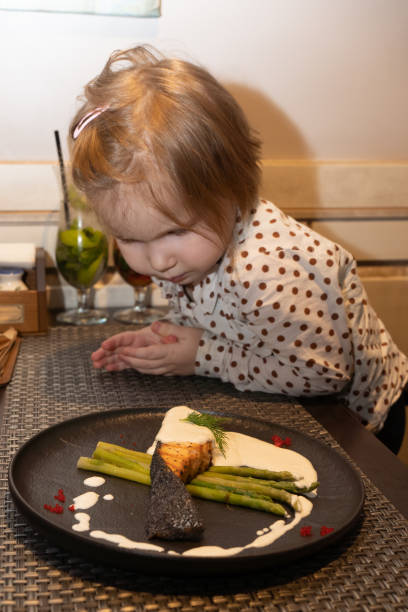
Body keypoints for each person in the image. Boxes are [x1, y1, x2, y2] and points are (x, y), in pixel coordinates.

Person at [69, 45, 407, 453]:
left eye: (176, 231)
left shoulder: (269, 269)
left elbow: (325, 374)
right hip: (280, 397)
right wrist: (169, 339)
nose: (157, 261)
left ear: (231, 191)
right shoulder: (192, 253)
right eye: (130, 239)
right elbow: (219, 321)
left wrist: (200, 357)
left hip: (358, 420)